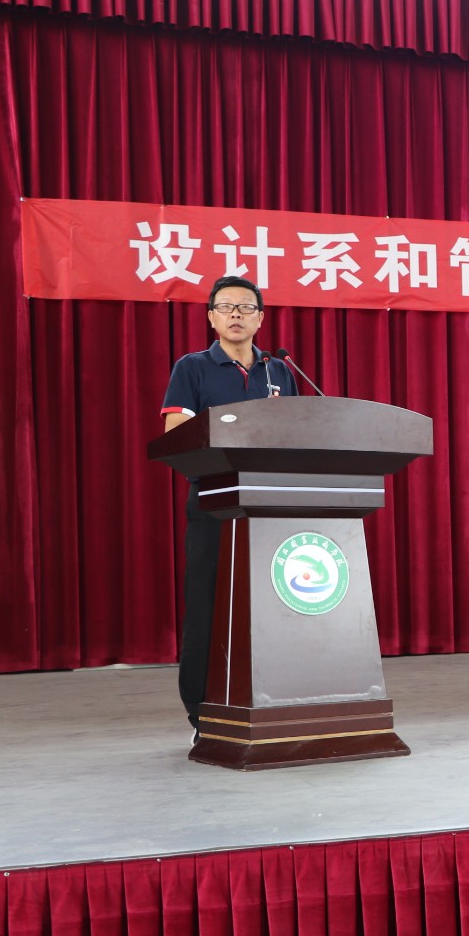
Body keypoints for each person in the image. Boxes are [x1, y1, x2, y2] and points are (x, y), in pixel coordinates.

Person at [160, 276, 297, 734]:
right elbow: (177, 434)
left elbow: (301, 432)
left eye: (245, 307)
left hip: (273, 505)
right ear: (211, 318)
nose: (236, 314)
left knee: (274, 607)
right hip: (215, 504)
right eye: (226, 307)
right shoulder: (193, 367)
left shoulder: (279, 371)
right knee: (209, 608)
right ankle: (202, 713)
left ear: (260, 318)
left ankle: (275, 702)